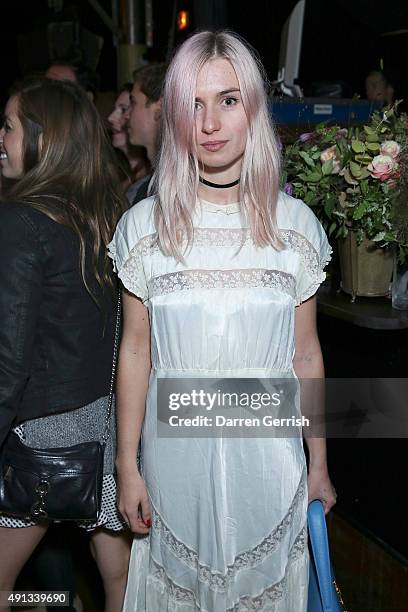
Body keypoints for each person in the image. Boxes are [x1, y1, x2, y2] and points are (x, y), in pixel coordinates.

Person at [109, 30, 336, 610]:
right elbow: (136, 352)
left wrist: (319, 464)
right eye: (194, 103)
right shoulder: (145, 229)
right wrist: (126, 465)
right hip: (172, 467)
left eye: (228, 100)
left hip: (269, 466)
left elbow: (305, 354)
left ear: (254, 109)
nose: (210, 122)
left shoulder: (295, 227)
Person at [0, 77, 130, 612]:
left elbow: (9, 357)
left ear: (42, 139)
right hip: (107, 428)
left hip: (44, 435)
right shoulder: (106, 217)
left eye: (7, 126)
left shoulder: (21, 221)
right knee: (119, 577)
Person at [124, 63, 167, 205]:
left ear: (159, 107)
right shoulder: (148, 186)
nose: (126, 114)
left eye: (133, 103)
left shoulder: (167, 189)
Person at [107, 83, 150, 203]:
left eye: (124, 109)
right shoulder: (109, 169)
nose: (110, 118)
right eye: (115, 109)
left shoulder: (153, 180)